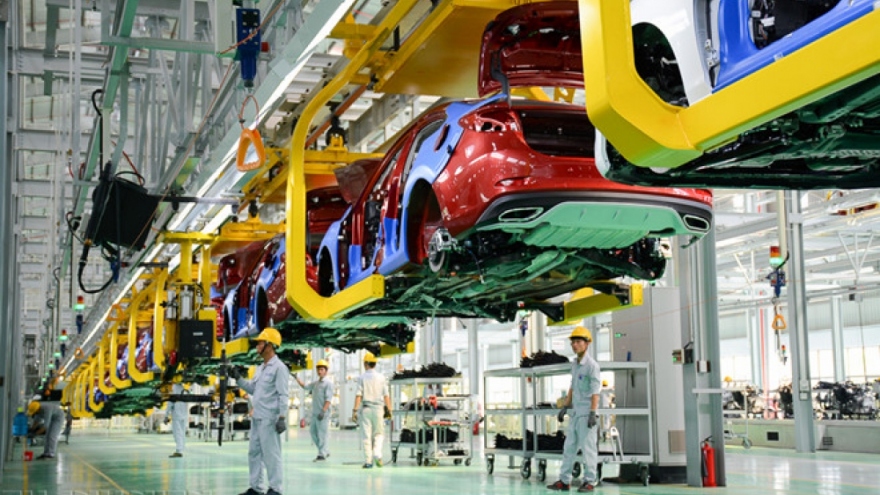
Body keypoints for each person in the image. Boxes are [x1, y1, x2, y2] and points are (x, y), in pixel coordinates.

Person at [229, 328, 290, 495]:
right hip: (257, 417)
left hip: (270, 419)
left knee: (271, 455)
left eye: (261, 342)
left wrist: (282, 417)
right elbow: (253, 389)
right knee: (254, 453)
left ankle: (276, 489)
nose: (258, 345)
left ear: (270, 345)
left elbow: (283, 394)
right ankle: (256, 488)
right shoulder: (261, 368)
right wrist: (238, 378)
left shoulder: (279, 368)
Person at [548, 326, 601, 492]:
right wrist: (565, 406)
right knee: (569, 447)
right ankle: (564, 481)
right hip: (576, 413)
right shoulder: (575, 365)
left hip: (587, 414)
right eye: (573, 342)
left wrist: (593, 413)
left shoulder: (592, 366)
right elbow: (572, 386)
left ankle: (590, 481)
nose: (574, 345)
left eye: (578, 342)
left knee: (588, 449)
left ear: (587, 344)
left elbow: (596, 392)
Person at [351, 351, 392, 469]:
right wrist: (389, 410)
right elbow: (386, 395)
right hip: (379, 409)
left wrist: (354, 411)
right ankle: (377, 454)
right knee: (379, 434)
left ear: (365, 364)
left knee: (366, 436)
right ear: (375, 363)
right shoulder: (381, 377)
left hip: (366, 409)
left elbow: (358, 395)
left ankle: (368, 461)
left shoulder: (362, 377)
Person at [294, 359, 334, 461]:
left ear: (326, 371)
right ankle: (325, 450)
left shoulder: (328, 383)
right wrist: (296, 378)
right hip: (315, 413)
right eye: (318, 369)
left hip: (323, 413)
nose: (319, 371)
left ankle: (322, 454)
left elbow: (328, 400)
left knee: (322, 434)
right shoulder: (316, 383)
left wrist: (323, 411)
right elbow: (305, 386)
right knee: (313, 432)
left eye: (322, 369)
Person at [169, 378, 188, 458]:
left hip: (176, 415)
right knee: (182, 432)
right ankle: (181, 449)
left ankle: (179, 451)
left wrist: (166, 415)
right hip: (184, 415)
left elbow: (170, 403)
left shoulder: (173, 388)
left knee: (177, 433)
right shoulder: (182, 388)